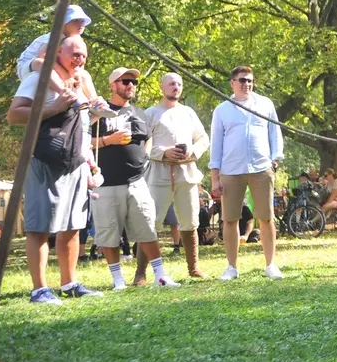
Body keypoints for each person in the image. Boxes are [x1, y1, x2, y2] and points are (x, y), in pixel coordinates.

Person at [7, 35, 102, 303]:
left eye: (83, 55)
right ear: (58, 53)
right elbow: (14, 115)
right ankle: (39, 289)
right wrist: (53, 107)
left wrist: (97, 111)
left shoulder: (81, 83)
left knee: (72, 225)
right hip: (44, 159)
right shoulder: (38, 78)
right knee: (39, 226)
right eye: (74, 54)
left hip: (75, 162)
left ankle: (69, 283)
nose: (79, 59)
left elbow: (81, 123)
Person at [90, 67, 181, 290]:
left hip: (137, 181)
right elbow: (82, 143)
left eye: (133, 82)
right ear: (113, 85)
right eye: (125, 81)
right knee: (109, 233)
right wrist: (109, 140)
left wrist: (146, 157)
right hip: (106, 183)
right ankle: (117, 280)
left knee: (147, 229)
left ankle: (160, 275)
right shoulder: (98, 112)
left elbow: (147, 138)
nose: (130, 85)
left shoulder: (139, 113)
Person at [209, 65, 284, 281]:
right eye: (242, 80)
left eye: (250, 80)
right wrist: (215, 177)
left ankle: (270, 265)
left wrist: (275, 160)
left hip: (261, 168)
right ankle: (231, 267)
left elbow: (275, 133)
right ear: (232, 83)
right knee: (230, 219)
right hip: (231, 170)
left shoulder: (265, 104)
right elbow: (216, 144)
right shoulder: (222, 109)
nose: (247, 84)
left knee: (266, 218)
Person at [146, 72, 211, 278]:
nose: (176, 87)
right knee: (150, 222)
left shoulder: (188, 113)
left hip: (186, 174)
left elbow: (203, 138)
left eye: (179, 84)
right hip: (159, 175)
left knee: (190, 220)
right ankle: (141, 273)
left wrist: (192, 151)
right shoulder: (151, 113)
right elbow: (141, 144)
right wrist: (163, 152)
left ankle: (194, 268)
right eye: (172, 84)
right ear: (162, 87)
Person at [16, 4, 106, 110]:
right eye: (76, 20)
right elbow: (43, 56)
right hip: (29, 66)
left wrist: (76, 76)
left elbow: (80, 65)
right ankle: (66, 94)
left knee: (84, 74)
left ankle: (95, 103)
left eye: (82, 21)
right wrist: (64, 74)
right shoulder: (55, 36)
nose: (81, 24)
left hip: (52, 67)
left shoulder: (76, 41)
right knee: (40, 63)